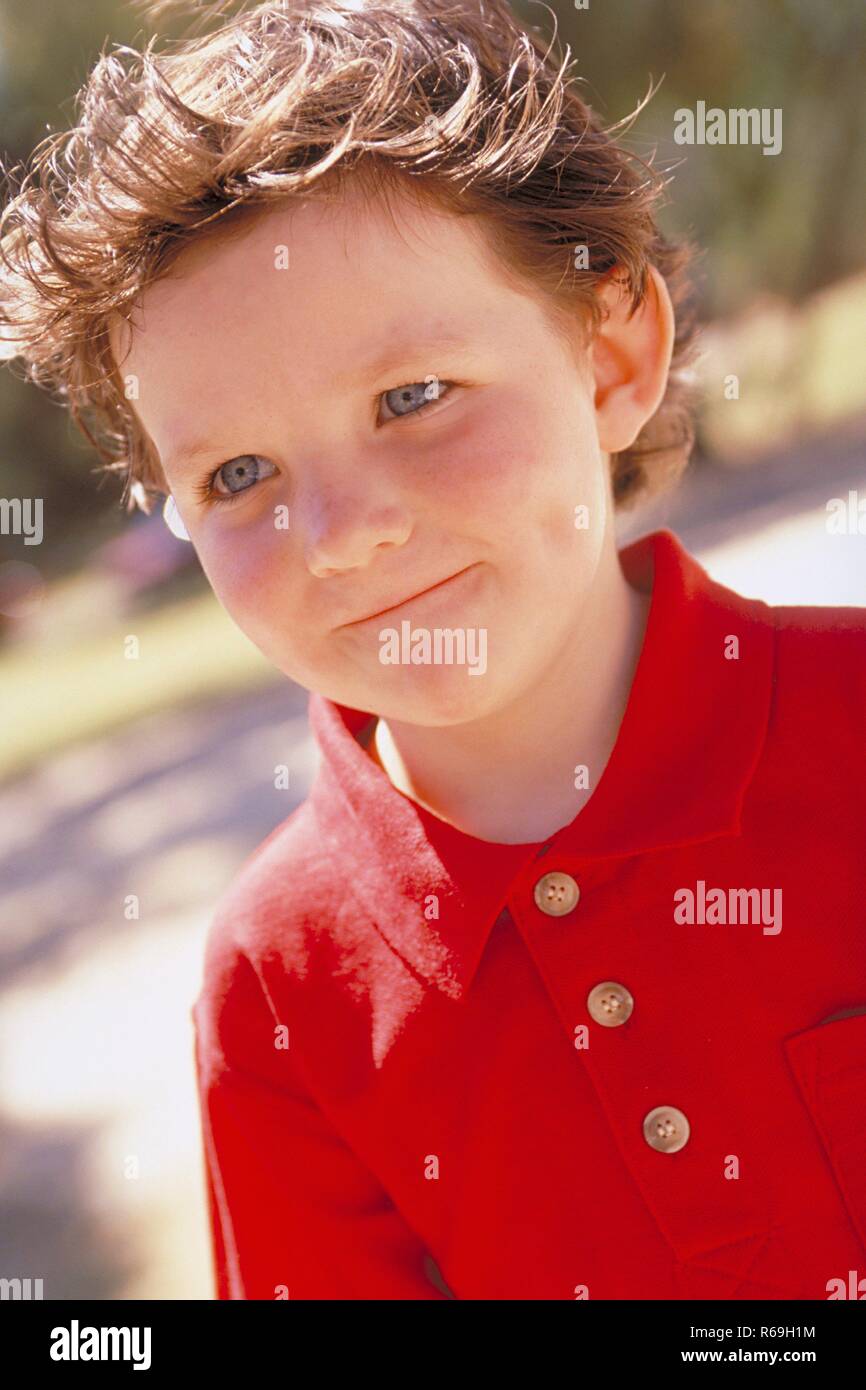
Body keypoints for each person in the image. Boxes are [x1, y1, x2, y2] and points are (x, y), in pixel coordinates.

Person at [2, 0, 864, 1301]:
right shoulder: (277, 992)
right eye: (238, 472)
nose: (342, 535)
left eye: (411, 398)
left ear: (613, 354)